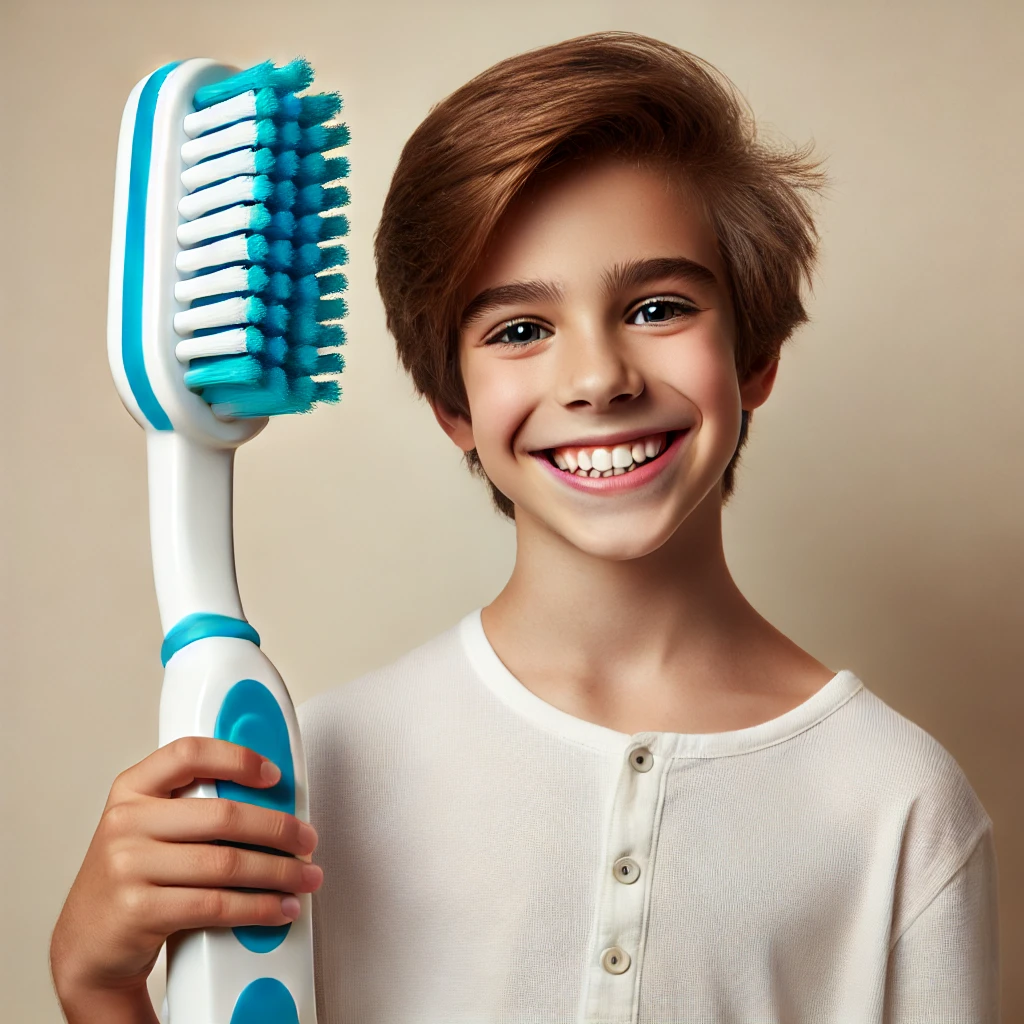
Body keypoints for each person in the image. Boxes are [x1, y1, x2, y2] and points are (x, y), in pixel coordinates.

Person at [50, 30, 999, 1023]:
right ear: (449, 401)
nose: (597, 378)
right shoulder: (308, 779)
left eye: (657, 305)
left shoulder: (900, 807)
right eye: (518, 331)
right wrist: (99, 985)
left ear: (754, 352)